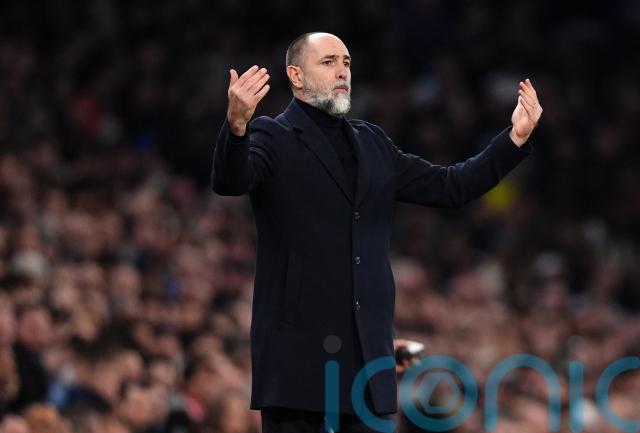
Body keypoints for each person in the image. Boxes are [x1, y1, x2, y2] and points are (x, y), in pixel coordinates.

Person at [211, 32, 542, 432]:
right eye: (328, 62)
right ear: (296, 75)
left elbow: (451, 187)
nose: (342, 72)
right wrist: (237, 126)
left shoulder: (372, 142)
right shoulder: (272, 135)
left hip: (366, 360)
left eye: (346, 63)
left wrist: (514, 139)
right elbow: (231, 181)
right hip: (296, 358)